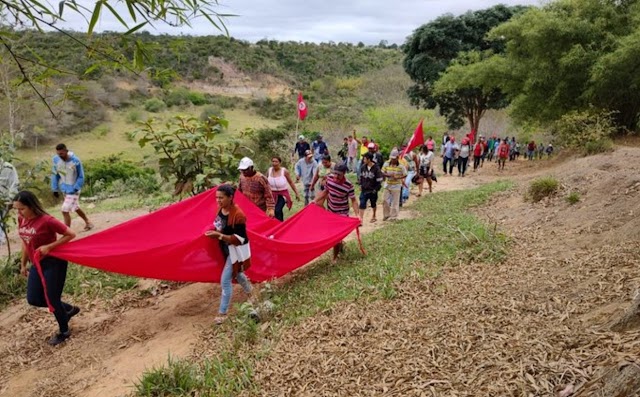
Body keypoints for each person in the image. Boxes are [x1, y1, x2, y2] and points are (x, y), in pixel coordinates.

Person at [15, 190, 79, 346]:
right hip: (37, 263)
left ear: (31, 206)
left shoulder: (47, 220)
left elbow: (71, 234)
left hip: (54, 262)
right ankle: (68, 309)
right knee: (34, 299)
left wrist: (50, 247)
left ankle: (64, 331)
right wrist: (23, 263)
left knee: (51, 297)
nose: (19, 212)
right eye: (17, 209)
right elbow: (26, 242)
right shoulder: (22, 220)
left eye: (22, 208)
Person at [204, 185, 254, 325]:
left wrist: (219, 236)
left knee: (225, 280)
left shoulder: (238, 215)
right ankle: (251, 293)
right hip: (226, 249)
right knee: (237, 274)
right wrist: (215, 232)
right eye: (216, 198)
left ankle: (223, 312)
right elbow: (218, 225)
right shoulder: (221, 210)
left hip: (236, 251)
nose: (218, 200)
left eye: (221, 198)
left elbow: (240, 239)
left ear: (230, 197)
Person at [314, 163, 358, 263]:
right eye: (335, 173)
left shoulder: (348, 185)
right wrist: (315, 201)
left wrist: (357, 215)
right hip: (331, 211)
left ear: (344, 174)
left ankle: (334, 258)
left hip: (342, 213)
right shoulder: (329, 179)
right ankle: (340, 245)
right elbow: (325, 192)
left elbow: (354, 200)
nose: (336, 176)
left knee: (336, 236)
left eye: (339, 174)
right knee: (332, 235)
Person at [51, 143, 93, 231]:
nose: (60, 156)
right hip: (64, 189)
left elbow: (81, 176)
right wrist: (54, 189)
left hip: (74, 189)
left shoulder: (75, 160)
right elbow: (55, 175)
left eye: (61, 154)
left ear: (66, 151)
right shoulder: (56, 160)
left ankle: (67, 232)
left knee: (65, 209)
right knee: (75, 207)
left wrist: (75, 187)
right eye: (58, 154)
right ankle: (88, 222)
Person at [267, 157, 300, 221]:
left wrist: (296, 193)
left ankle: (280, 224)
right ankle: (279, 224)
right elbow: (265, 182)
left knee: (277, 210)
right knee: (274, 211)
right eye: (273, 161)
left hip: (282, 194)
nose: (274, 163)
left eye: (276, 161)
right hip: (272, 194)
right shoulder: (269, 170)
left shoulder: (284, 171)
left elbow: (291, 182)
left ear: (280, 163)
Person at [381, 149, 407, 221]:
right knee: (385, 200)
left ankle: (393, 216)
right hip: (388, 184)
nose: (392, 160)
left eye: (394, 159)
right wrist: (388, 175)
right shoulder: (386, 163)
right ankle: (386, 215)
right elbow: (382, 172)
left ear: (397, 158)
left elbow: (405, 175)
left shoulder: (401, 166)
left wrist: (398, 177)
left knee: (395, 201)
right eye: (391, 158)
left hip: (396, 185)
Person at [358, 152, 383, 223]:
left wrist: (376, 189)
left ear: (369, 159)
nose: (363, 159)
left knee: (373, 203)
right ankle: (361, 220)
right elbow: (361, 177)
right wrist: (360, 185)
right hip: (364, 189)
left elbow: (379, 181)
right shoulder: (363, 167)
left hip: (373, 190)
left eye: (365, 158)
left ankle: (374, 215)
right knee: (362, 203)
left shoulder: (376, 168)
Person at [0, 159, 19, 244]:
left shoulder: (8, 168)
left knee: (1, 219)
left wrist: (12, 199)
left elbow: (14, 184)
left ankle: (1, 240)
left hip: (4, 201)